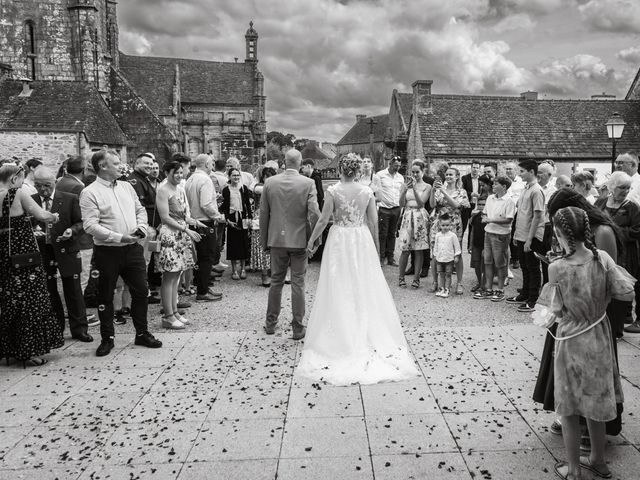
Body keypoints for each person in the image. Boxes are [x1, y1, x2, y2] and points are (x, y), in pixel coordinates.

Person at [297, 153, 419, 385]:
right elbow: (373, 222)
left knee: (338, 283)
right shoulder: (366, 192)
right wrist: (376, 249)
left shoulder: (333, 191)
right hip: (360, 238)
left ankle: (340, 332)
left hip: (340, 238)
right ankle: (362, 328)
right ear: (359, 171)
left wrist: (312, 240)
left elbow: (323, 221)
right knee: (362, 283)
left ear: (341, 170)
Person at [539, 206, 634, 480]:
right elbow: (626, 293)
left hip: (570, 338)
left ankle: (574, 469)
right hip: (599, 335)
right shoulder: (601, 258)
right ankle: (599, 461)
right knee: (596, 400)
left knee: (568, 407)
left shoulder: (556, 267)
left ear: (558, 233)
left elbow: (552, 310)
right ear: (587, 230)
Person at [79, 149, 162, 357]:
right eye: (116, 163)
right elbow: (90, 225)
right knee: (105, 295)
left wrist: (141, 228)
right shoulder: (90, 192)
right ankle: (108, 338)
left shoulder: (126, 186)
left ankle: (142, 332)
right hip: (107, 251)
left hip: (133, 248)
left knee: (141, 291)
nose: (121, 166)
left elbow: (140, 210)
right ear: (102, 166)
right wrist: (118, 237)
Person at [0, 163, 64, 366]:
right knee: (30, 299)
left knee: (8, 299)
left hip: (3, 253)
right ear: (14, 179)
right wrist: (54, 216)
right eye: (21, 179)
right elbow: (42, 215)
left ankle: (7, 348)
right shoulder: (16, 193)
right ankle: (29, 350)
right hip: (23, 255)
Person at [260, 149, 320, 339]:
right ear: (300, 162)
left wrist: (264, 241)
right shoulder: (308, 183)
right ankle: (297, 327)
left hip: (277, 239)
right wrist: (315, 240)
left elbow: (263, 214)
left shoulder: (270, 182)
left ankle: (270, 324)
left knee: (276, 281)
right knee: (298, 284)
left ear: (284, 162)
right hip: (299, 240)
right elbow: (314, 213)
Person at [31, 168, 93, 342]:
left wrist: (71, 231)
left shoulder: (69, 198)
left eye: (47, 185)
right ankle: (56, 329)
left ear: (55, 182)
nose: (43, 190)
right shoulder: (31, 200)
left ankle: (79, 329)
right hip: (44, 251)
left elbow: (81, 222)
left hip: (67, 248)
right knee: (49, 291)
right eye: (38, 185)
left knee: (73, 290)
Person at [156, 160, 205, 329]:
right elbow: (165, 218)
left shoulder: (180, 189)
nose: (179, 175)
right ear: (167, 173)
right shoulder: (163, 190)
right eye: (175, 172)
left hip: (181, 233)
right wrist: (187, 230)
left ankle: (175, 312)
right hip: (170, 235)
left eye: (180, 172)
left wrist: (195, 222)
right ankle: (168, 315)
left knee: (177, 276)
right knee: (169, 277)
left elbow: (183, 215)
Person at [595, 172, 640, 336]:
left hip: (625, 253)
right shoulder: (600, 202)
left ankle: (618, 325)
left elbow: (637, 231)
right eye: (622, 187)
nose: (626, 191)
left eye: (628, 188)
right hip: (601, 250)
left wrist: (613, 231)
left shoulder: (632, 207)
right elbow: (592, 219)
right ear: (612, 187)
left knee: (620, 285)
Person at [55, 154, 98, 325]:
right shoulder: (78, 187)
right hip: (80, 238)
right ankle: (77, 313)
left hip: (67, 235)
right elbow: (83, 215)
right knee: (81, 277)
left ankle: (71, 311)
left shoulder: (61, 182)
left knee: (72, 277)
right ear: (83, 170)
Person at [505, 159, 545, 312]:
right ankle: (525, 294)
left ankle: (533, 299)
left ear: (531, 172)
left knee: (533, 268)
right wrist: (516, 234)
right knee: (524, 266)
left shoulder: (536, 190)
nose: (519, 174)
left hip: (532, 236)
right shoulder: (525, 189)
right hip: (521, 234)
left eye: (522, 171)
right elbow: (521, 213)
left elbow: (537, 216)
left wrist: (529, 238)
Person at [184, 153, 225, 302]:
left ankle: (204, 287)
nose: (213, 167)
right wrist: (218, 216)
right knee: (207, 257)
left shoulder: (190, 179)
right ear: (207, 164)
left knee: (201, 258)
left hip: (193, 221)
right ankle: (202, 292)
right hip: (204, 222)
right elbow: (206, 204)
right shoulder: (205, 180)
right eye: (212, 164)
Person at [429, 166, 469, 294]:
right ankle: (435, 282)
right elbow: (432, 205)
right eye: (447, 174)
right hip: (439, 223)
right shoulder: (439, 190)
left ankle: (459, 283)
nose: (448, 177)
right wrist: (433, 191)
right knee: (436, 253)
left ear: (457, 177)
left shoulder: (462, 192)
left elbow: (456, 205)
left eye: (451, 175)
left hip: (454, 223)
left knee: (457, 253)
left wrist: (443, 191)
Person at [475, 176, 515, 301]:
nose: (493, 185)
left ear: (504, 187)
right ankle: (488, 289)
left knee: (500, 263)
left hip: (501, 235)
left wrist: (490, 220)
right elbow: (485, 213)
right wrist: (485, 217)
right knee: (487, 261)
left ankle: (500, 290)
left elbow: (509, 219)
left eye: (496, 184)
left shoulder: (509, 201)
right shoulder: (490, 198)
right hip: (488, 232)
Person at [397, 160, 431, 289]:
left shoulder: (427, 186)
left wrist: (414, 189)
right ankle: (401, 277)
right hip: (407, 214)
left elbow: (422, 203)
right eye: (413, 172)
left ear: (423, 172)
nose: (415, 174)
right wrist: (404, 191)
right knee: (405, 248)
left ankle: (416, 278)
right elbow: (401, 203)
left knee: (419, 249)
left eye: (417, 172)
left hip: (419, 215)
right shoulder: (405, 185)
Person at [221, 168, 253, 280]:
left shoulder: (244, 188)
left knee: (243, 243)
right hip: (231, 218)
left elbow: (247, 205)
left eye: (238, 175)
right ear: (229, 177)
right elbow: (224, 206)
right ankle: (234, 270)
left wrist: (250, 218)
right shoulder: (226, 190)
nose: (236, 177)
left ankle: (243, 268)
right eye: (234, 175)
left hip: (242, 218)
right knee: (233, 244)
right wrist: (226, 220)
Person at [375, 156, 404, 266]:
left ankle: (390, 257)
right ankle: (381, 258)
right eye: (396, 165)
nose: (397, 168)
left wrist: (401, 208)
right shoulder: (380, 175)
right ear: (390, 164)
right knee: (383, 234)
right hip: (384, 209)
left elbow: (401, 193)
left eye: (399, 166)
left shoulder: (400, 177)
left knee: (392, 233)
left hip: (396, 208)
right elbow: (376, 191)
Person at [251, 165, 277, 287]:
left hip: (272, 220)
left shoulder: (271, 187)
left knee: (273, 247)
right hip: (259, 221)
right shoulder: (259, 187)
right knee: (262, 248)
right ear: (264, 177)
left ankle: (273, 273)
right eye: (268, 177)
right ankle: (264, 275)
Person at [467, 175, 492, 294]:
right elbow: (472, 230)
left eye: (484, 205)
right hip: (476, 243)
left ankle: (486, 283)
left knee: (486, 263)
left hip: (486, 243)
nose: (481, 207)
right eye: (480, 205)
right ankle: (479, 281)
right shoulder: (475, 216)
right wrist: (470, 245)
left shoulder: (489, 217)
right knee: (476, 263)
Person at [433, 213, 461, 298]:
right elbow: (436, 246)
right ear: (440, 225)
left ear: (450, 225)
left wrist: (456, 256)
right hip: (440, 259)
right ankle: (441, 288)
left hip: (449, 259)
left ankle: (447, 289)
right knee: (441, 274)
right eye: (443, 225)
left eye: (447, 225)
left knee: (448, 274)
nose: (445, 227)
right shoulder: (438, 235)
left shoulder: (453, 236)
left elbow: (457, 247)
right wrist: (435, 255)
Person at [538, 162, 558, 284]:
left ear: (549, 175)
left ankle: (546, 284)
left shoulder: (552, 190)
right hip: (536, 226)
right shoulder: (534, 187)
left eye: (540, 172)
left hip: (546, 227)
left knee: (545, 258)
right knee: (535, 257)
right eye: (537, 172)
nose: (537, 174)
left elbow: (543, 210)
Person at [461, 161, 481, 240]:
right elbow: (462, 190)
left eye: (477, 168)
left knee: (473, 227)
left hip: (477, 205)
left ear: (479, 169)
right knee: (464, 225)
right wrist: (471, 194)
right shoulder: (465, 178)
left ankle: (470, 246)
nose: (475, 169)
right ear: (471, 168)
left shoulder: (481, 178)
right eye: (474, 167)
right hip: (467, 205)